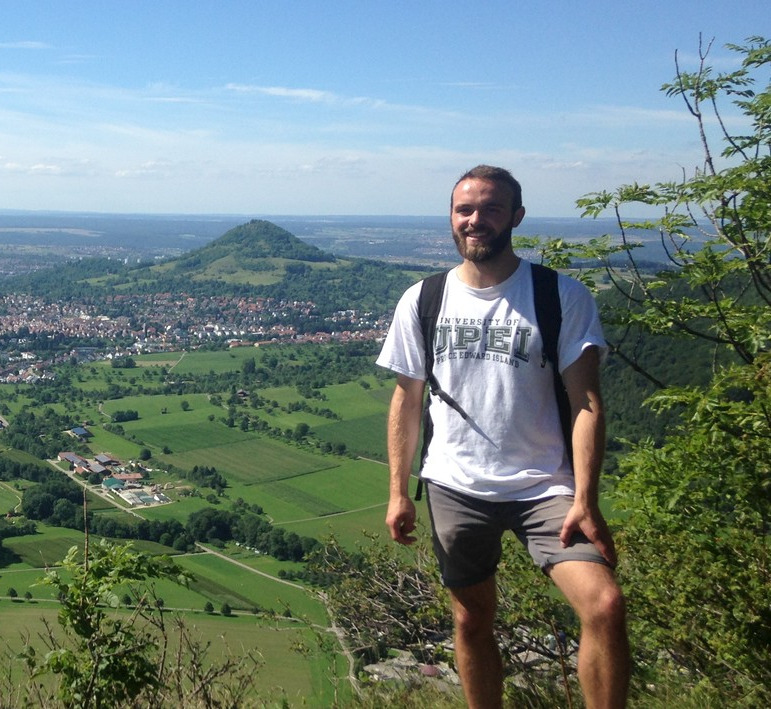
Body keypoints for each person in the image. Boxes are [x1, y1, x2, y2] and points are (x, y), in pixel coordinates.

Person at [376, 165, 630, 709]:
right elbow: (407, 399)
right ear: (450, 219)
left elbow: (586, 401)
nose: (475, 220)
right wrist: (400, 490)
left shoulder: (560, 296)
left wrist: (586, 498)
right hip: (455, 482)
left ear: (515, 216)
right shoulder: (423, 299)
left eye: (490, 208)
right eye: (464, 210)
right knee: (472, 619)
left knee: (604, 606)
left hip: (546, 486)